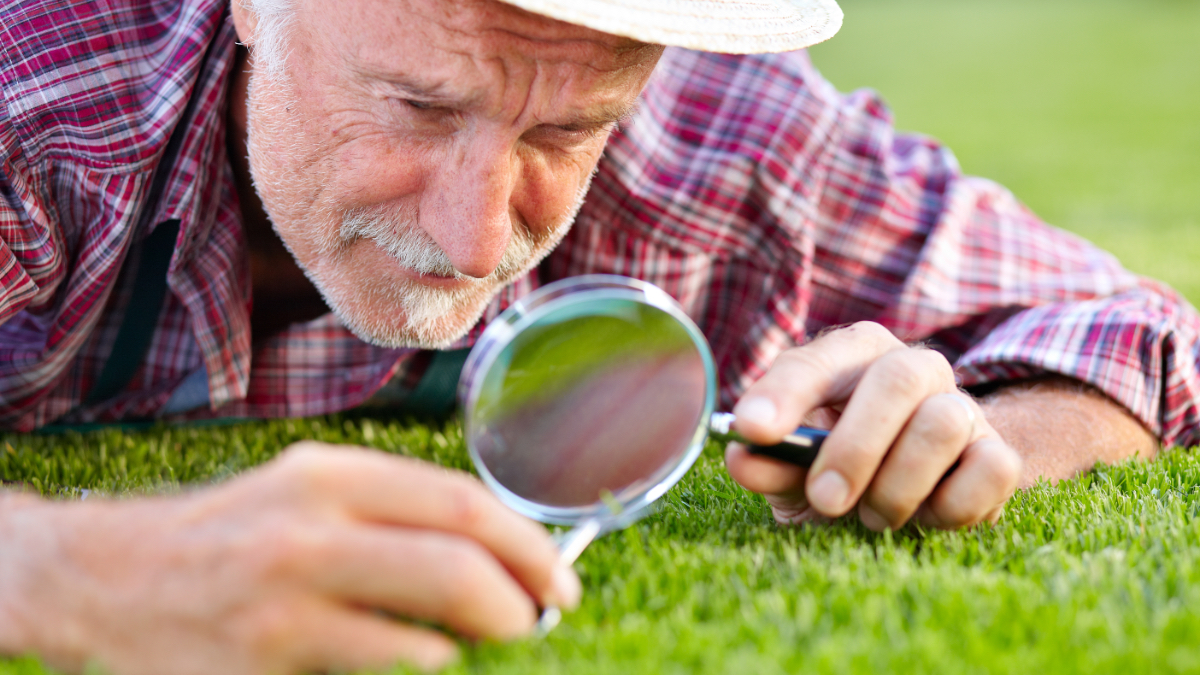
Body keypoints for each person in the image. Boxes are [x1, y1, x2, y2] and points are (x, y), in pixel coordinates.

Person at [1, 0, 1196, 671]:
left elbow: (1137, 330)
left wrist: (986, 432)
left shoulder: (715, 133)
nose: (474, 241)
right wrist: (74, 577)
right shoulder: (35, 92)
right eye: (417, 104)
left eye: (566, 133)